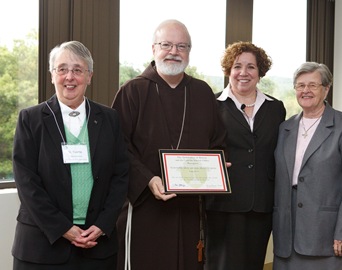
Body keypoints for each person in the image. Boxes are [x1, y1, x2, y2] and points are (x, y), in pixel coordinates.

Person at [111, 19, 226, 270]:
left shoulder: (202, 93)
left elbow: (217, 141)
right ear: (154, 48)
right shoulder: (132, 91)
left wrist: (215, 168)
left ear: (189, 52)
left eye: (182, 46)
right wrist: (148, 179)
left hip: (188, 210)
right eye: (166, 44)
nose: (174, 52)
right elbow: (118, 147)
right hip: (145, 208)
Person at [11, 41, 129, 270]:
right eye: (62, 69)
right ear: (52, 75)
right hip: (42, 248)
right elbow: (27, 183)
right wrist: (63, 228)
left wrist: (104, 224)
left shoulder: (110, 119)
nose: (69, 77)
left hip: (97, 247)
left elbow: (120, 175)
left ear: (89, 76)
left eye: (77, 70)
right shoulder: (30, 120)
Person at [272, 62, 342, 270]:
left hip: (328, 235)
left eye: (313, 85)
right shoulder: (285, 128)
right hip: (287, 234)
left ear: (326, 89)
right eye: (300, 85)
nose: (306, 91)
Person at [204, 41, 286, 270]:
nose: (244, 72)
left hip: (261, 204)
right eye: (237, 66)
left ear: (260, 72)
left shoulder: (276, 108)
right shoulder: (211, 104)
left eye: (251, 67)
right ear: (228, 70)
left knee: (254, 263)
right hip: (223, 203)